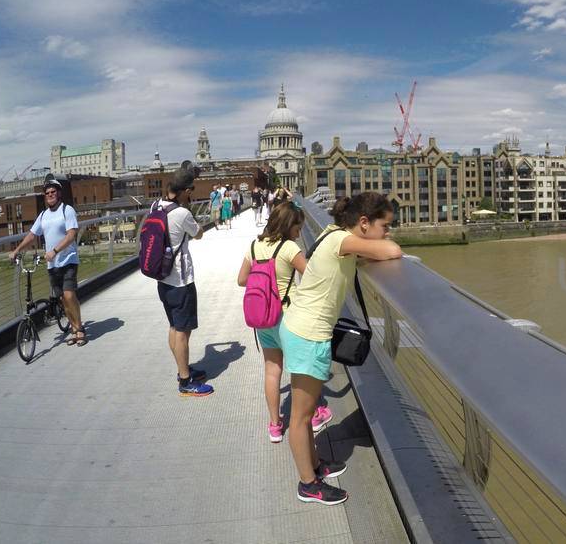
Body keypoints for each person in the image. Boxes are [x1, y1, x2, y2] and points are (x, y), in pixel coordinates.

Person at [280, 192, 402, 505]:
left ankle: (315, 465)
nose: (388, 232)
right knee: (300, 416)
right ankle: (308, 484)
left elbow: (369, 250)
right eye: (385, 225)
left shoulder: (332, 234)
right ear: (363, 223)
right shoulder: (341, 242)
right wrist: (380, 246)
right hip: (307, 334)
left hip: (303, 329)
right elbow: (391, 250)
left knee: (305, 413)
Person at [236, 202, 330, 443]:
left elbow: (241, 279)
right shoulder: (289, 248)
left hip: (263, 319)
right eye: (298, 227)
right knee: (302, 368)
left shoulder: (254, 247)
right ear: (290, 226)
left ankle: (275, 425)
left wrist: (264, 286)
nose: (299, 232)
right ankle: (317, 413)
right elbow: (312, 276)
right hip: (289, 317)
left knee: (272, 370)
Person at [154, 162, 213, 397]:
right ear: (185, 191)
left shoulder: (155, 206)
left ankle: (183, 369)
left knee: (173, 326)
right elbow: (198, 233)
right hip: (181, 280)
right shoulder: (182, 213)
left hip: (163, 279)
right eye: (191, 190)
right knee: (183, 332)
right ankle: (186, 382)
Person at [8, 176, 87, 346]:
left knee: (69, 294)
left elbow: (71, 234)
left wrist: (55, 251)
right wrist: (16, 250)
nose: (50, 194)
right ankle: (73, 329)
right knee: (62, 299)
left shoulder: (67, 210)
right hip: (52, 265)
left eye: (53, 192)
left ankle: (80, 329)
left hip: (68, 260)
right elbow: (32, 235)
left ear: (59, 193)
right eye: (47, 193)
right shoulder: (43, 215)